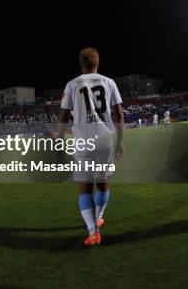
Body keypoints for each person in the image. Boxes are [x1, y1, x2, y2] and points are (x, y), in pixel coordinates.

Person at [58, 48, 124, 246]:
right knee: (103, 183)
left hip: (83, 140)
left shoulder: (71, 84)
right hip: (105, 138)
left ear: (81, 64)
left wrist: (59, 142)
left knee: (85, 189)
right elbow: (119, 115)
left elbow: (64, 116)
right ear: (98, 62)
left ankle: (93, 232)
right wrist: (120, 142)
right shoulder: (109, 82)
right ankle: (99, 216)